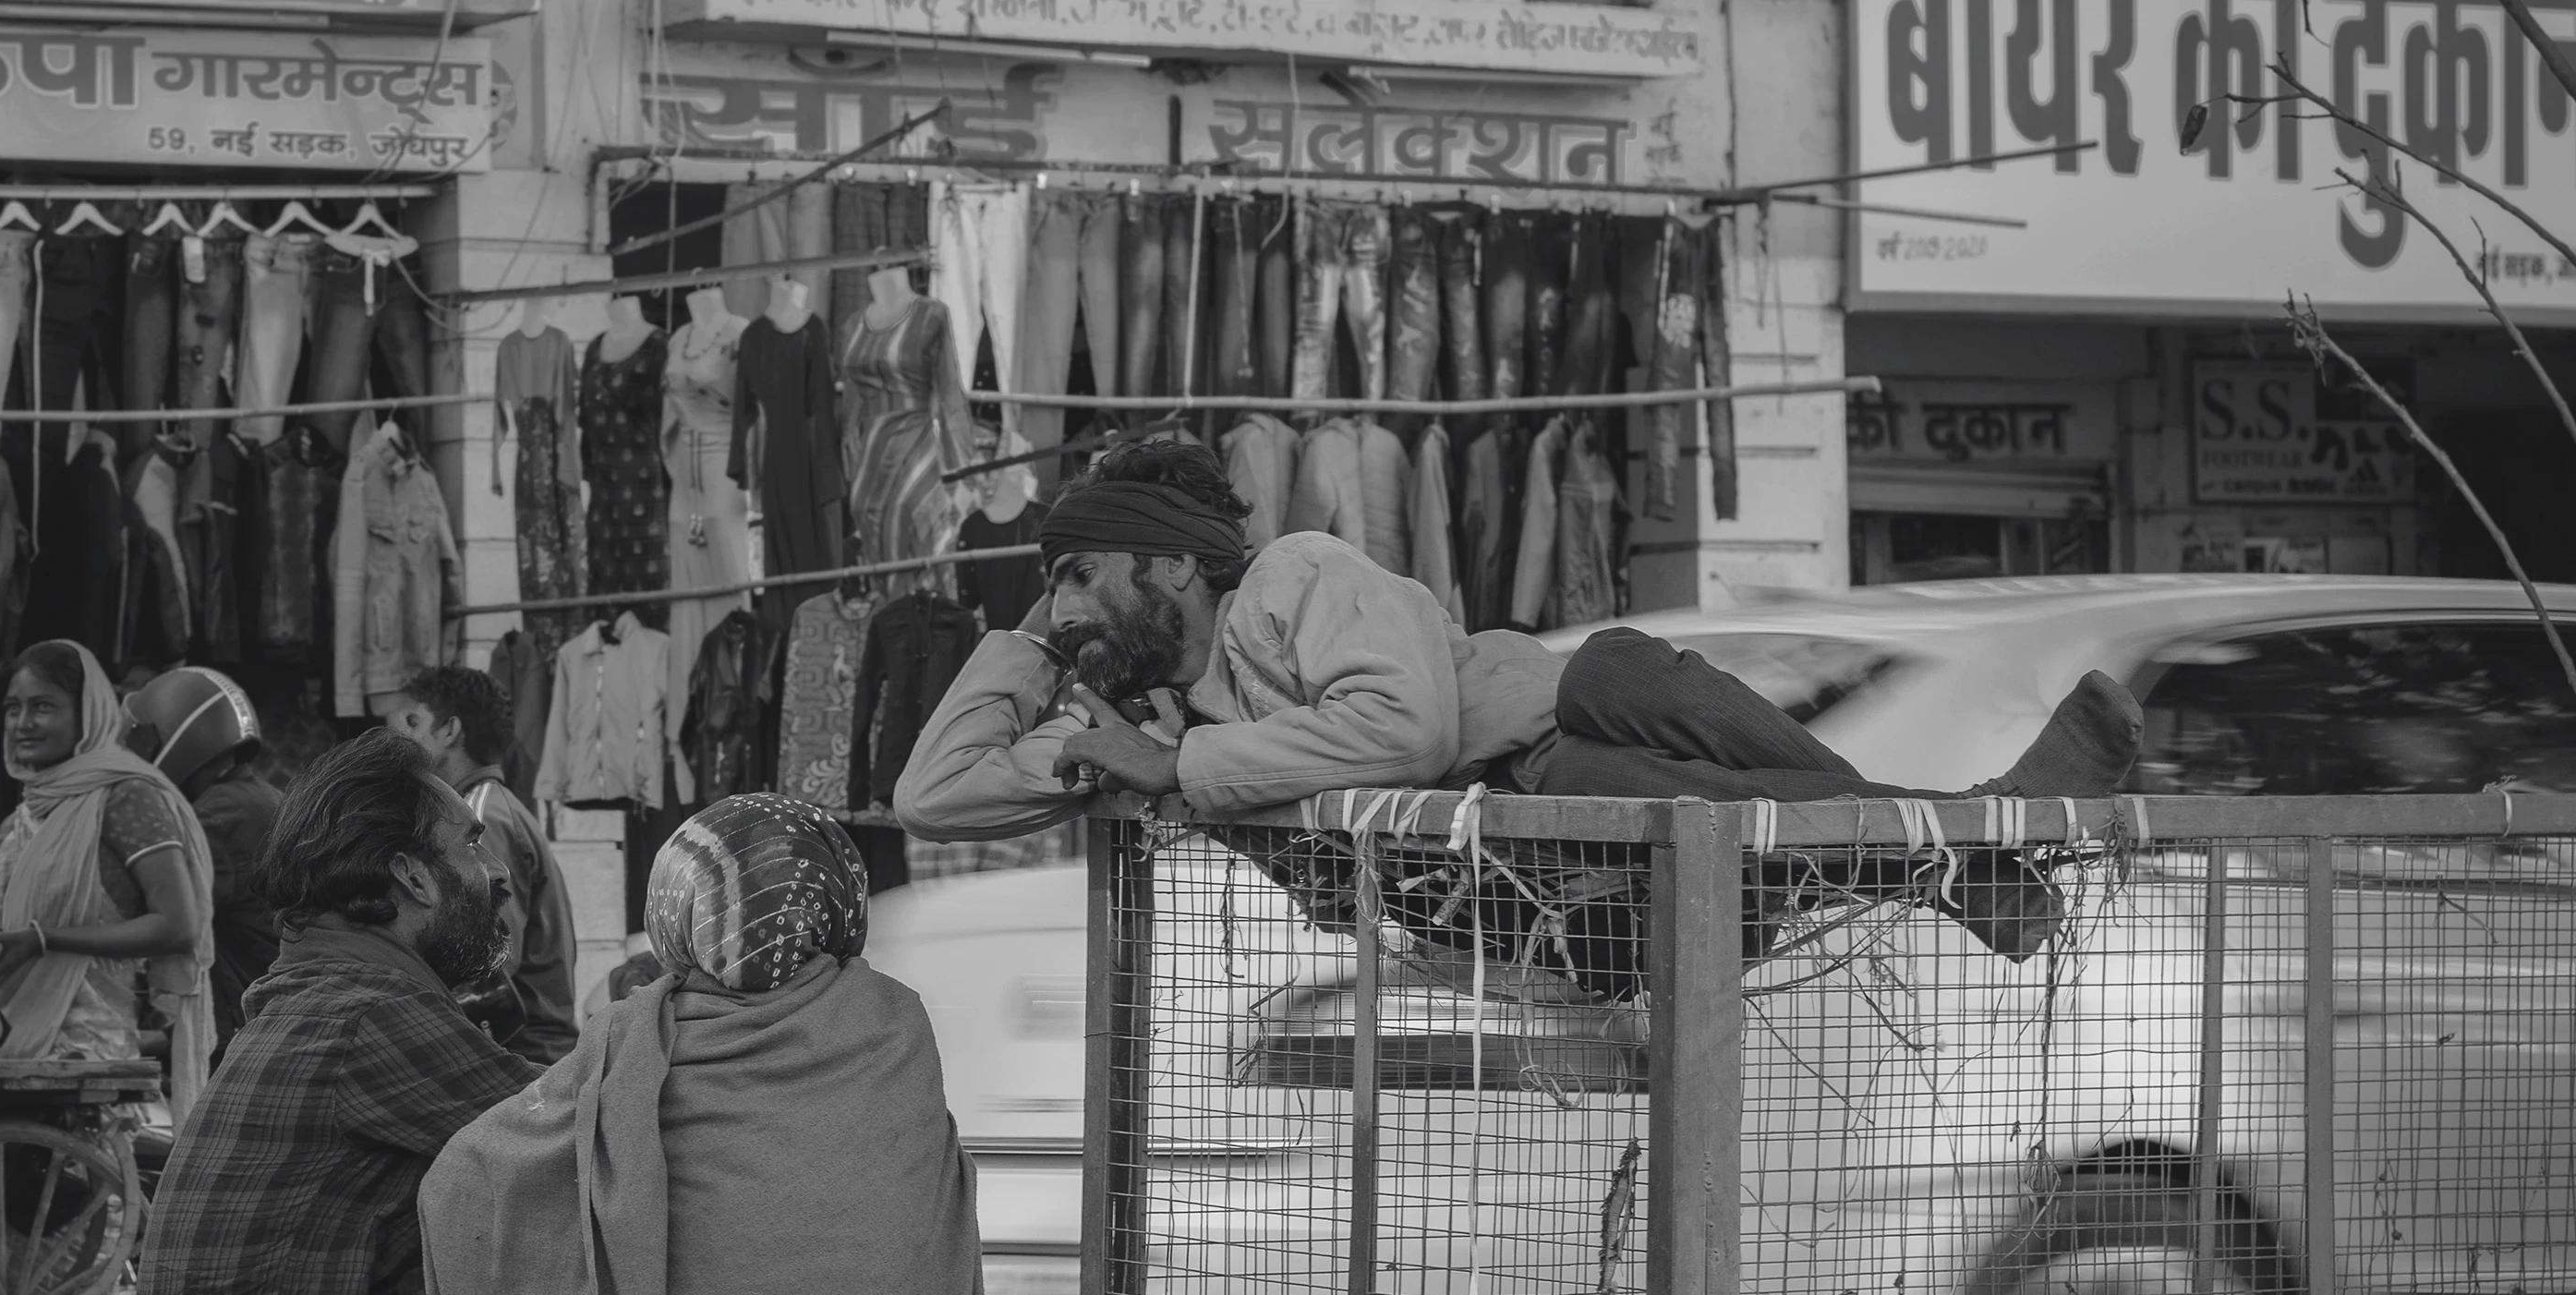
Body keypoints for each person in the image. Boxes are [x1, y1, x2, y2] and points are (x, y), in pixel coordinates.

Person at [894, 440, 2137, 968]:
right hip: (1512, 865)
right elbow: (930, 797)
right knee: (1684, 799)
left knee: (1625, 673)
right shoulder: (1142, 725)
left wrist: (1178, 773)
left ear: (1168, 566)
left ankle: (1977, 855)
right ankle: (1979, 841)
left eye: (1080, 575)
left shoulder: (1294, 578)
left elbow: (1407, 729)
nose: (1068, 604)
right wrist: (1029, 642)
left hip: (1553, 741)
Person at [420, 793, 1071, 1295]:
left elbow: (462, 1183)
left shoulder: (633, 1041)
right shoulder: (896, 1025)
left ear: (674, 915)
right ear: (841, 908)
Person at [139, 731, 535, 1295]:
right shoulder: (367, 1011)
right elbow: (591, 1136)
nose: (493, 870)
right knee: (578, 1207)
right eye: (468, 842)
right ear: (412, 876)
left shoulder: (318, 991)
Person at [0, 639, 216, 1115]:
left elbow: (177, 925)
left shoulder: (125, 797)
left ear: (88, 712)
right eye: (13, 708)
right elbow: (13, 922)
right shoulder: (26, 812)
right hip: (8, 1025)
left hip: (86, 1039)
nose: (23, 724)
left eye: (43, 707)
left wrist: (44, 941)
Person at [386, 662, 579, 1062]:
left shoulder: (478, 818)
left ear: (450, 731)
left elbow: (485, 970)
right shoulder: (487, 809)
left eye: (413, 722)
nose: (401, 737)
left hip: (518, 1054)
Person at [123, 667, 284, 1039]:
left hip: (242, 1023)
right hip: (269, 1008)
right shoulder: (263, 797)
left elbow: (157, 919)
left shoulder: (213, 818)